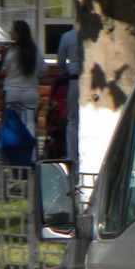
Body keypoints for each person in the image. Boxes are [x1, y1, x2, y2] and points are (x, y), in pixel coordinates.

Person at [0, 20, 48, 141]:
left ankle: (13, 153)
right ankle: (31, 155)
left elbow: (2, 68)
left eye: (12, 31)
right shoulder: (34, 49)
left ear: (18, 33)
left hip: (12, 91)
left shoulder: (10, 50)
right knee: (30, 123)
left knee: (12, 125)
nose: (10, 32)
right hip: (30, 92)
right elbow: (43, 70)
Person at [56, 25, 80, 165]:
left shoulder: (67, 36)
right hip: (92, 81)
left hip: (74, 80)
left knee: (72, 120)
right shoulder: (94, 35)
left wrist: (68, 71)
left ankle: (71, 157)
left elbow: (60, 62)